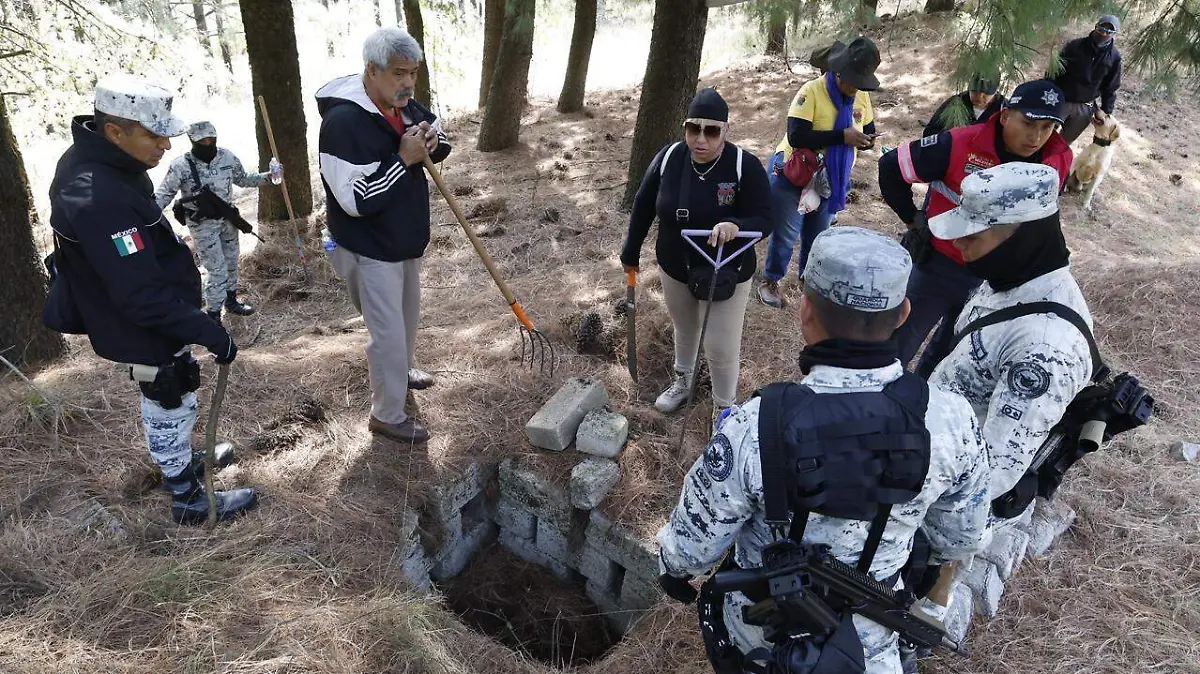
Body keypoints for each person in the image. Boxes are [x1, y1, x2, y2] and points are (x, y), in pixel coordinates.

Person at [657, 227, 990, 674]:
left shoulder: (756, 427)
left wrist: (672, 570)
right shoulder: (953, 421)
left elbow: (687, 554)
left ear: (805, 311)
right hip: (868, 648)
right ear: (904, 312)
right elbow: (959, 538)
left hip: (762, 646)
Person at [43, 74, 256, 525]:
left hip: (151, 311)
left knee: (175, 393)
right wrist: (209, 332)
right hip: (139, 323)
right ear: (115, 131)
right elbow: (139, 295)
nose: (165, 145)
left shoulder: (109, 163)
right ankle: (186, 496)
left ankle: (181, 462)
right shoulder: (97, 195)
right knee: (168, 394)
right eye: (154, 135)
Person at [878, 79, 1073, 376]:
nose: (1036, 136)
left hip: (996, 284)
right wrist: (913, 220)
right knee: (897, 345)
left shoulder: (1057, 160)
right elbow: (892, 166)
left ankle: (918, 408)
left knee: (952, 357)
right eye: (1028, 123)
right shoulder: (960, 143)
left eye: (1047, 127)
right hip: (940, 268)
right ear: (1006, 114)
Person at [926, 162, 1093, 500]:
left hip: (935, 504)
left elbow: (990, 475)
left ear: (1021, 238)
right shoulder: (1011, 278)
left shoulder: (1046, 347)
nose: (958, 243)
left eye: (972, 235)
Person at [316, 26, 450, 444]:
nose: (408, 83)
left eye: (413, 72)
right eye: (398, 73)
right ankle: (387, 414)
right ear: (371, 71)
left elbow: (436, 140)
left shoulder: (404, 105)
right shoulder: (343, 123)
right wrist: (404, 158)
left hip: (403, 239)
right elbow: (356, 197)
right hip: (369, 246)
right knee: (387, 332)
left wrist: (431, 140)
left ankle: (402, 371)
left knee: (407, 319)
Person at [620, 88, 772, 423]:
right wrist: (630, 251)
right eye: (694, 128)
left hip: (725, 270)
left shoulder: (743, 166)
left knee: (720, 344)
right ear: (685, 127)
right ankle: (683, 381)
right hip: (675, 266)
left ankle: (724, 408)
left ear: (726, 130)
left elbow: (766, 219)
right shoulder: (668, 158)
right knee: (685, 327)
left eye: (712, 130)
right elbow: (644, 204)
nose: (701, 138)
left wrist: (737, 224)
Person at [758, 37, 881, 309]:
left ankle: (809, 281)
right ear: (837, 71)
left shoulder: (861, 96)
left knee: (818, 235)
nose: (853, 88)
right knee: (787, 234)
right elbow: (796, 135)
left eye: (859, 82)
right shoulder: (811, 91)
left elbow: (868, 127)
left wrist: (868, 139)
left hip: (830, 180)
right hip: (794, 173)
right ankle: (771, 280)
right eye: (850, 80)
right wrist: (841, 137)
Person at [154, 121, 283, 325]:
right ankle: (213, 315)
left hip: (228, 220)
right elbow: (164, 194)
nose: (207, 143)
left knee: (232, 262)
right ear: (192, 141)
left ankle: (231, 301)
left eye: (210, 140)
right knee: (217, 269)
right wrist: (145, 213)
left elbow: (244, 179)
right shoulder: (181, 165)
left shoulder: (227, 157)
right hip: (203, 225)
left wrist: (270, 177)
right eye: (202, 141)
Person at [1052, 15, 1123, 144]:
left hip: (1085, 107)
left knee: (1062, 145)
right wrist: (1048, 91)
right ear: (1095, 27)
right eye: (1101, 29)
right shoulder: (1075, 46)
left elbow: (1111, 87)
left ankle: (1050, 164)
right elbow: (1055, 70)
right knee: (1043, 134)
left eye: (1109, 32)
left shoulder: (1114, 57)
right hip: (1061, 100)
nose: (1104, 34)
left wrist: (1106, 111)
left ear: (1114, 34)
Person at [922, 73, 1005, 138]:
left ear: (995, 92)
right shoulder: (955, 103)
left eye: (986, 94)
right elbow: (929, 132)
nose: (979, 97)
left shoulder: (1003, 109)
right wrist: (950, 136)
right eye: (975, 92)